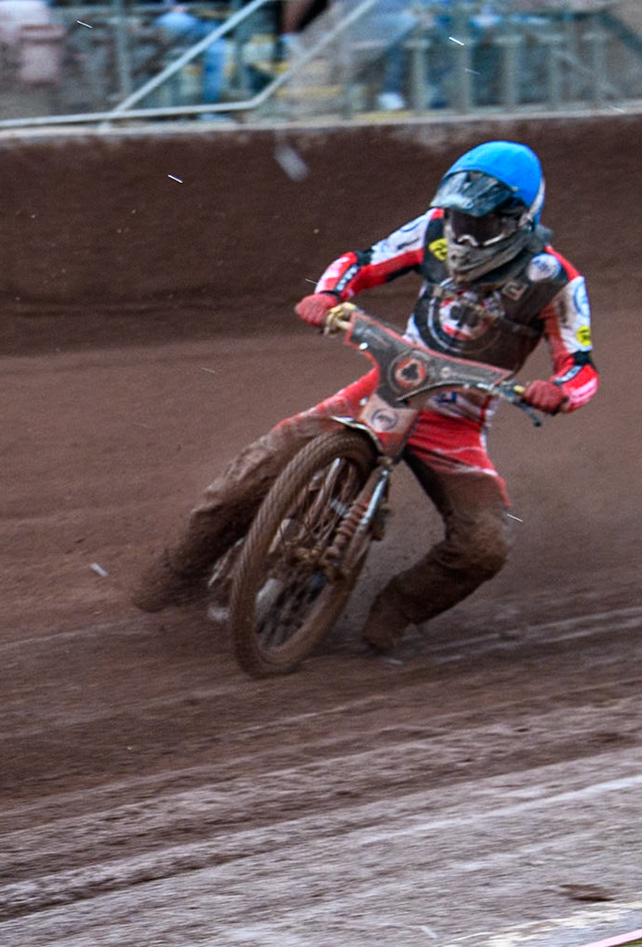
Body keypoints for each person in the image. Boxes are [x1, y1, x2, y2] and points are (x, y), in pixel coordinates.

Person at [131, 141, 597, 653]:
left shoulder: (554, 282)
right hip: (389, 386)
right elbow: (363, 261)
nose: (463, 232)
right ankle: (175, 575)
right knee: (255, 469)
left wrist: (558, 392)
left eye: (480, 223)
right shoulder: (434, 229)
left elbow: (580, 368)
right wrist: (328, 294)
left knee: (484, 545)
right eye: (459, 217)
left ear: (516, 220)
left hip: (455, 421)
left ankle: (394, 610)